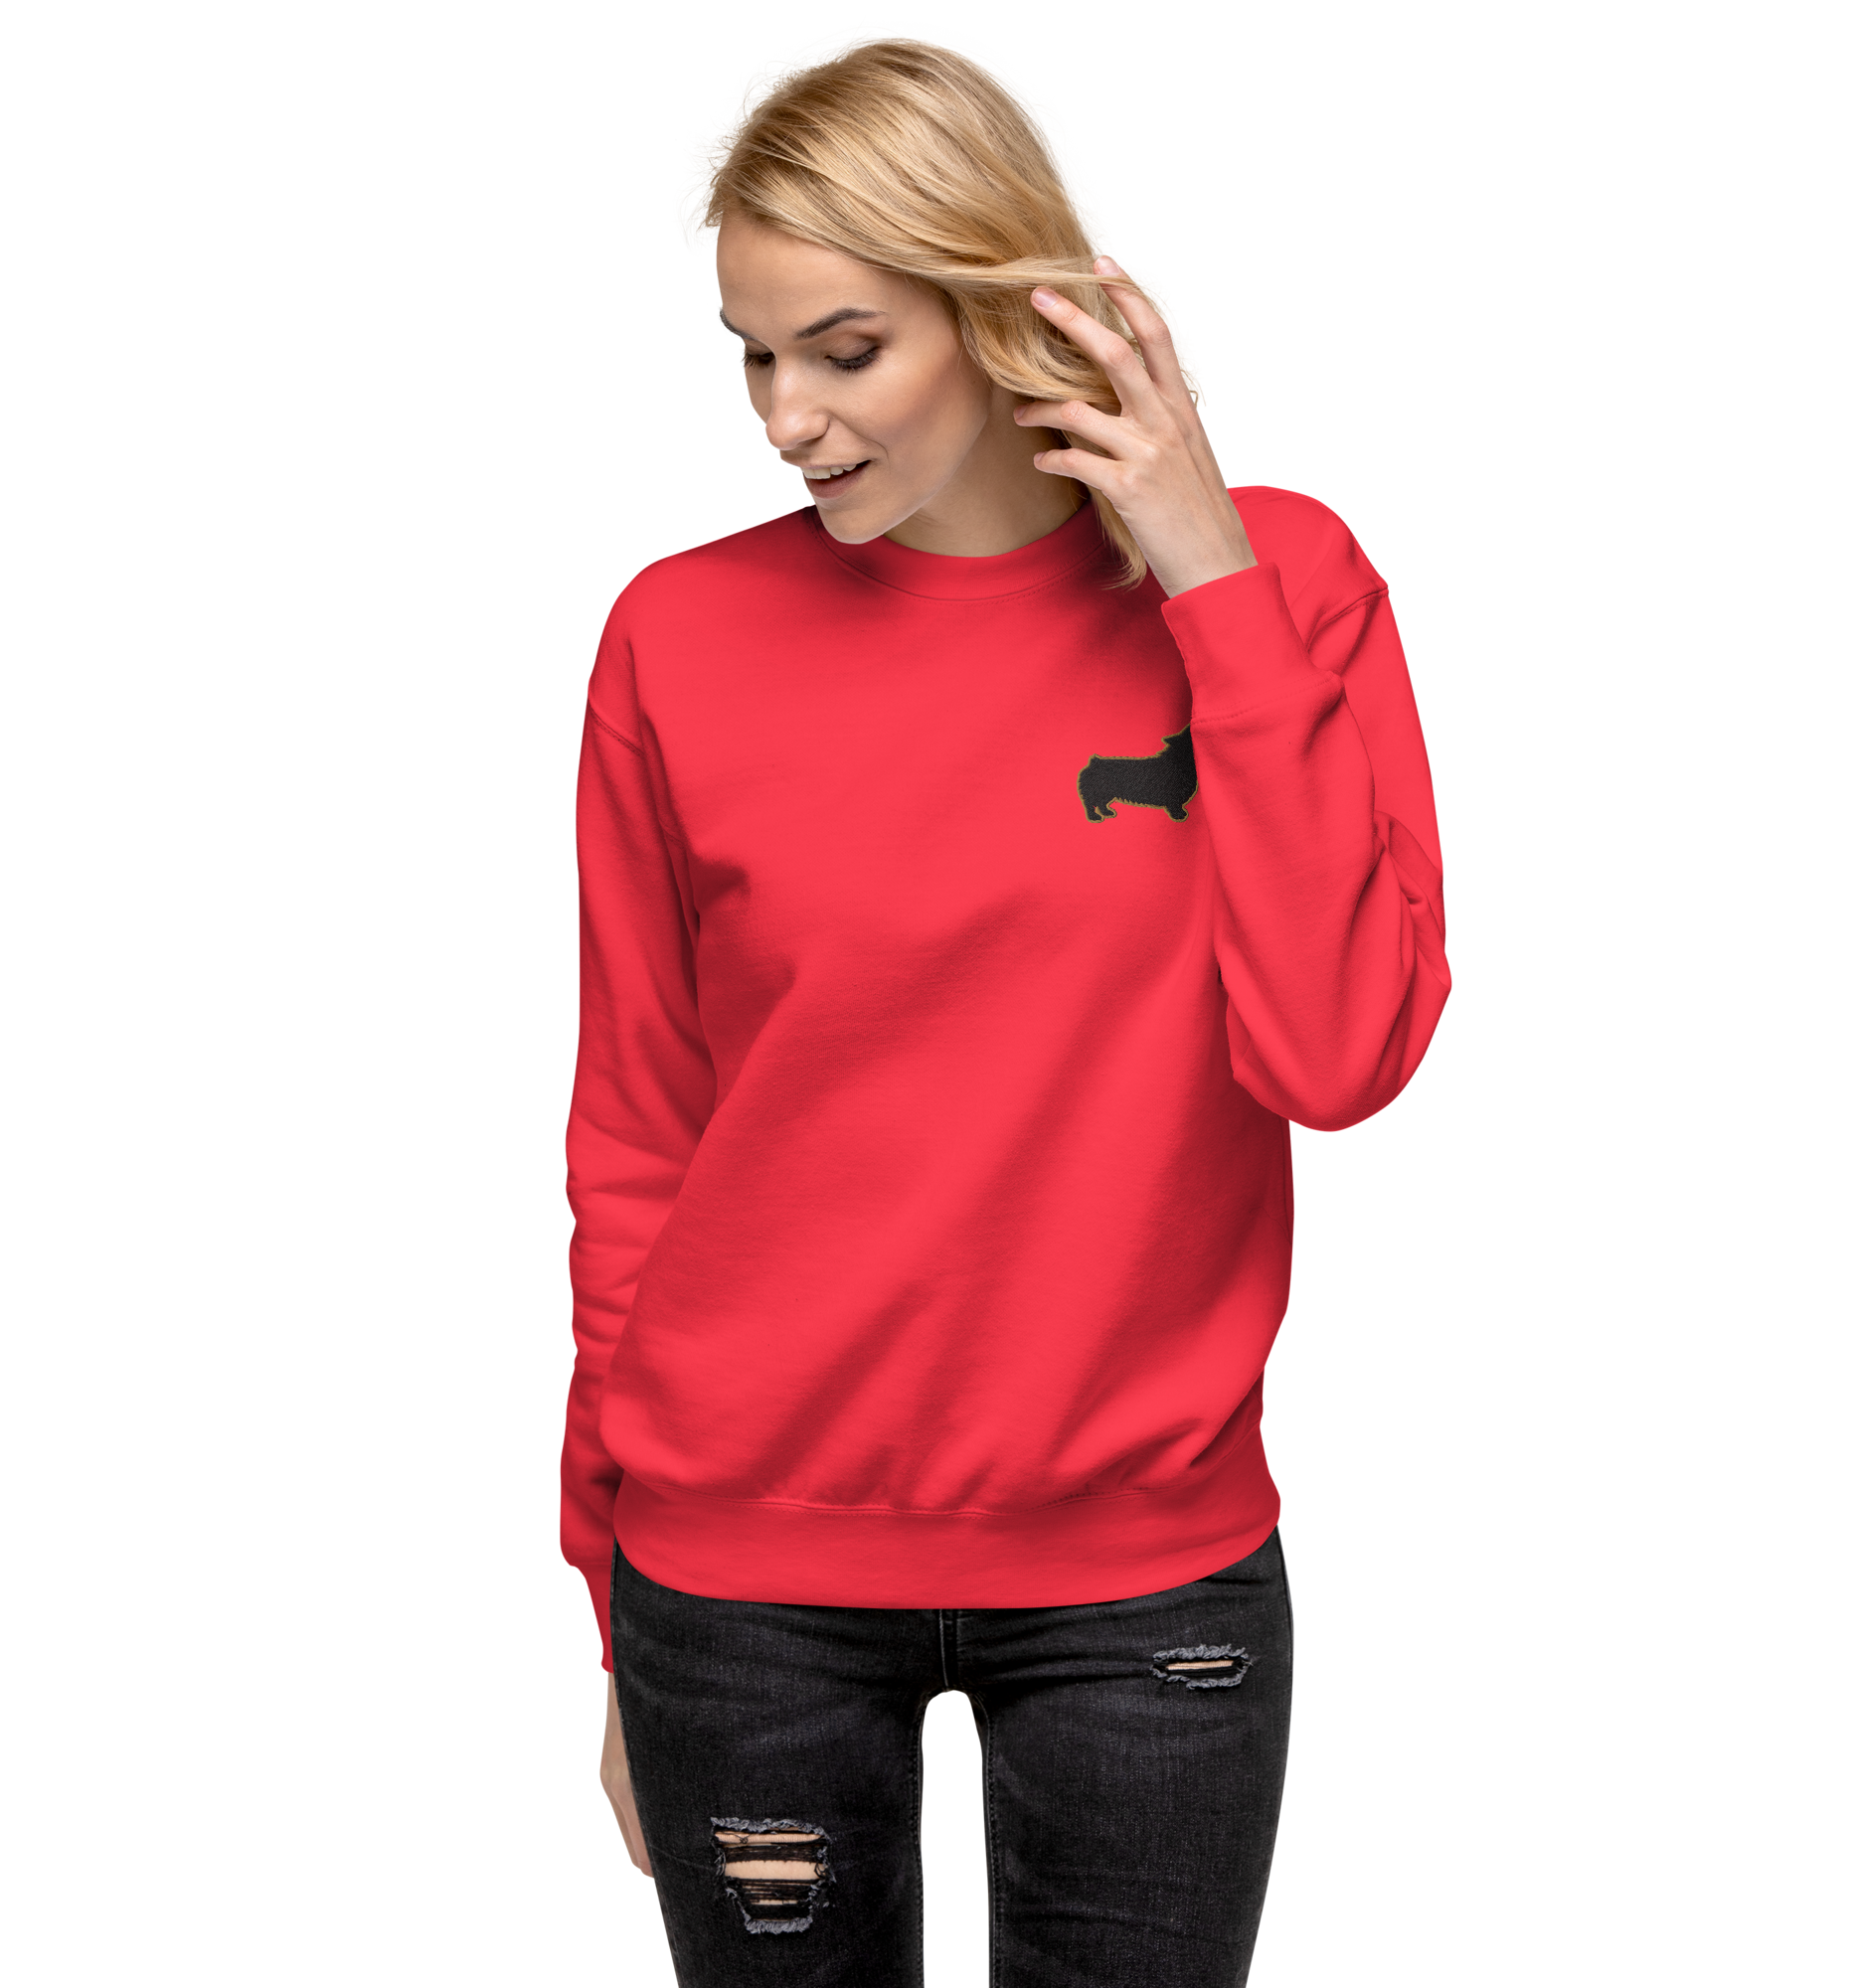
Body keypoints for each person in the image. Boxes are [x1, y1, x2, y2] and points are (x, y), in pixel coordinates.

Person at [564, 33, 1449, 1986]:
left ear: (1006, 312)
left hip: (1148, 1585)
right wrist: (607, 1616)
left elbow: (1341, 1056)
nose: (777, 420)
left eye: (842, 351)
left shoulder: (1292, 585)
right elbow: (635, 1138)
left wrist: (1206, 575)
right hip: (740, 1578)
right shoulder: (671, 640)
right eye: (750, 354)